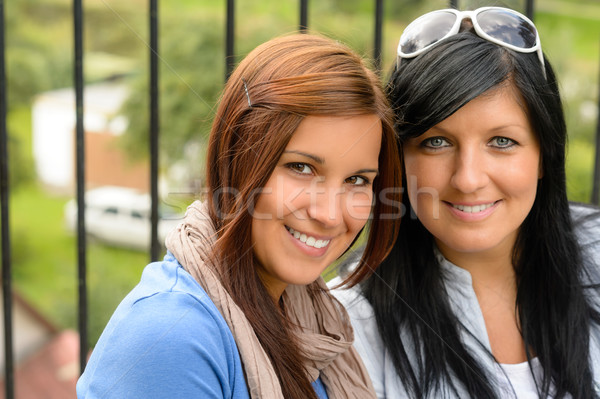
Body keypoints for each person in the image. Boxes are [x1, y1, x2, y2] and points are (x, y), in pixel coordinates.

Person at [76, 33, 401, 399]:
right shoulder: (172, 337)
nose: (328, 214)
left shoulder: (309, 319)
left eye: (357, 180)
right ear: (236, 162)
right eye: (301, 168)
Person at [332, 6, 600, 398]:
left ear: (544, 154)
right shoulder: (346, 328)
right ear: (397, 158)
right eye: (436, 142)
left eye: (502, 142)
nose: (469, 179)